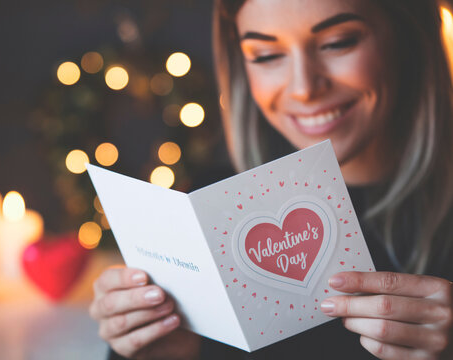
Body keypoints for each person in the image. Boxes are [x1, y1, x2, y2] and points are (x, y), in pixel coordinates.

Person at [89, 0, 453, 358]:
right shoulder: (210, 206)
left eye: (337, 43)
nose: (303, 88)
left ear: (407, 37)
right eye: (265, 55)